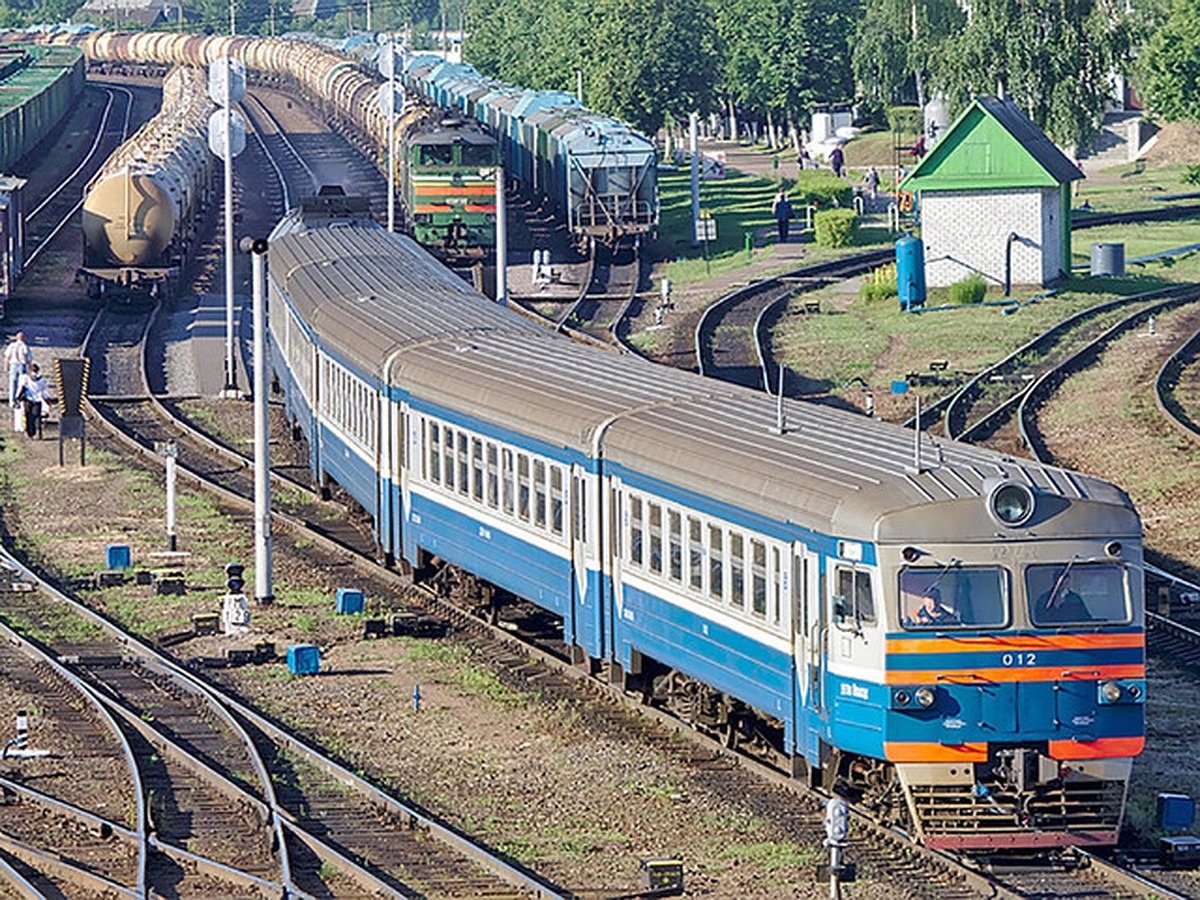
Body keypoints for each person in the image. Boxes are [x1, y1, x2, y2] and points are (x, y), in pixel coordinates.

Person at [16, 363, 47, 439]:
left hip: (28, 400)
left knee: (29, 416)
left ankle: (30, 433)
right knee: (37, 417)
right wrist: (47, 400)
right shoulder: (41, 380)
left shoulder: (26, 378)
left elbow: (22, 388)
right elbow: (43, 391)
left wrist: (18, 397)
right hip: (38, 400)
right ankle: (38, 432)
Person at [4, 331, 29, 407]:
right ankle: (19, 399)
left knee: (12, 383)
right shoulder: (24, 346)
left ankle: (12, 401)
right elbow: (28, 358)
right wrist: (31, 368)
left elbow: (7, 357)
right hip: (22, 364)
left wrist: (6, 366)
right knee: (22, 384)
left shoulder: (12, 345)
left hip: (13, 365)